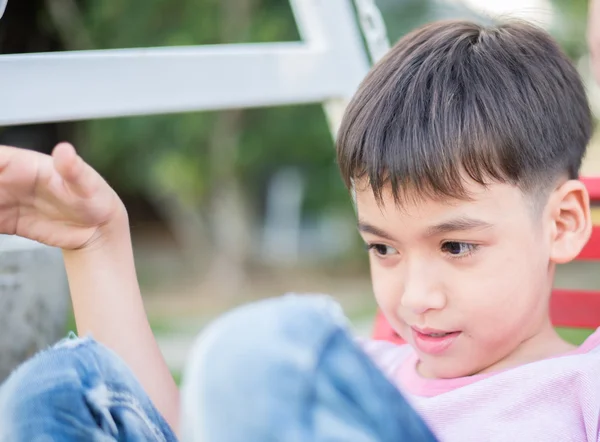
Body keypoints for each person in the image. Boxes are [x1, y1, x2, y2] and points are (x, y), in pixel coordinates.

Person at [0, 17, 598, 441]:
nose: (415, 298)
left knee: (262, 356)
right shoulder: (362, 375)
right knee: (54, 391)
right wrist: (95, 242)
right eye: (382, 248)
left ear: (563, 223)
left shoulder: (578, 388)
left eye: (456, 246)